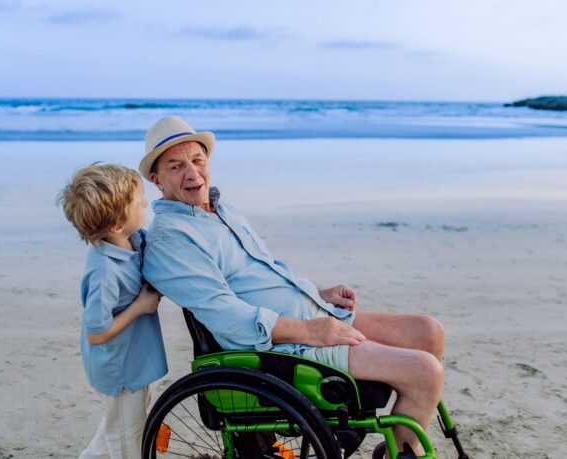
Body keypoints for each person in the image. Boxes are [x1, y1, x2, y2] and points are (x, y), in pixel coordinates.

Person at [140, 116, 444, 456]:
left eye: (197, 161)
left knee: (428, 332)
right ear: (156, 178)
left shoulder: (219, 209)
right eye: (176, 166)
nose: (192, 173)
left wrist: (319, 294)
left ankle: (397, 446)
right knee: (424, 372)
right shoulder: (170, 242)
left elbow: (267, 271)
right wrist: (309, 331)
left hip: (311, 316)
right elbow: (226, 315)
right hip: (279, 347)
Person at [58, 164, 167, 459]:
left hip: (134, 359)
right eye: (138, 201)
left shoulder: (133, 240)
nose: (145, 202)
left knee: (118, 427)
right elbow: (95, 332)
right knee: (128, 438)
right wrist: (139, 307)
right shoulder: (105, 271)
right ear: (117, 225)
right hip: (119, 368)